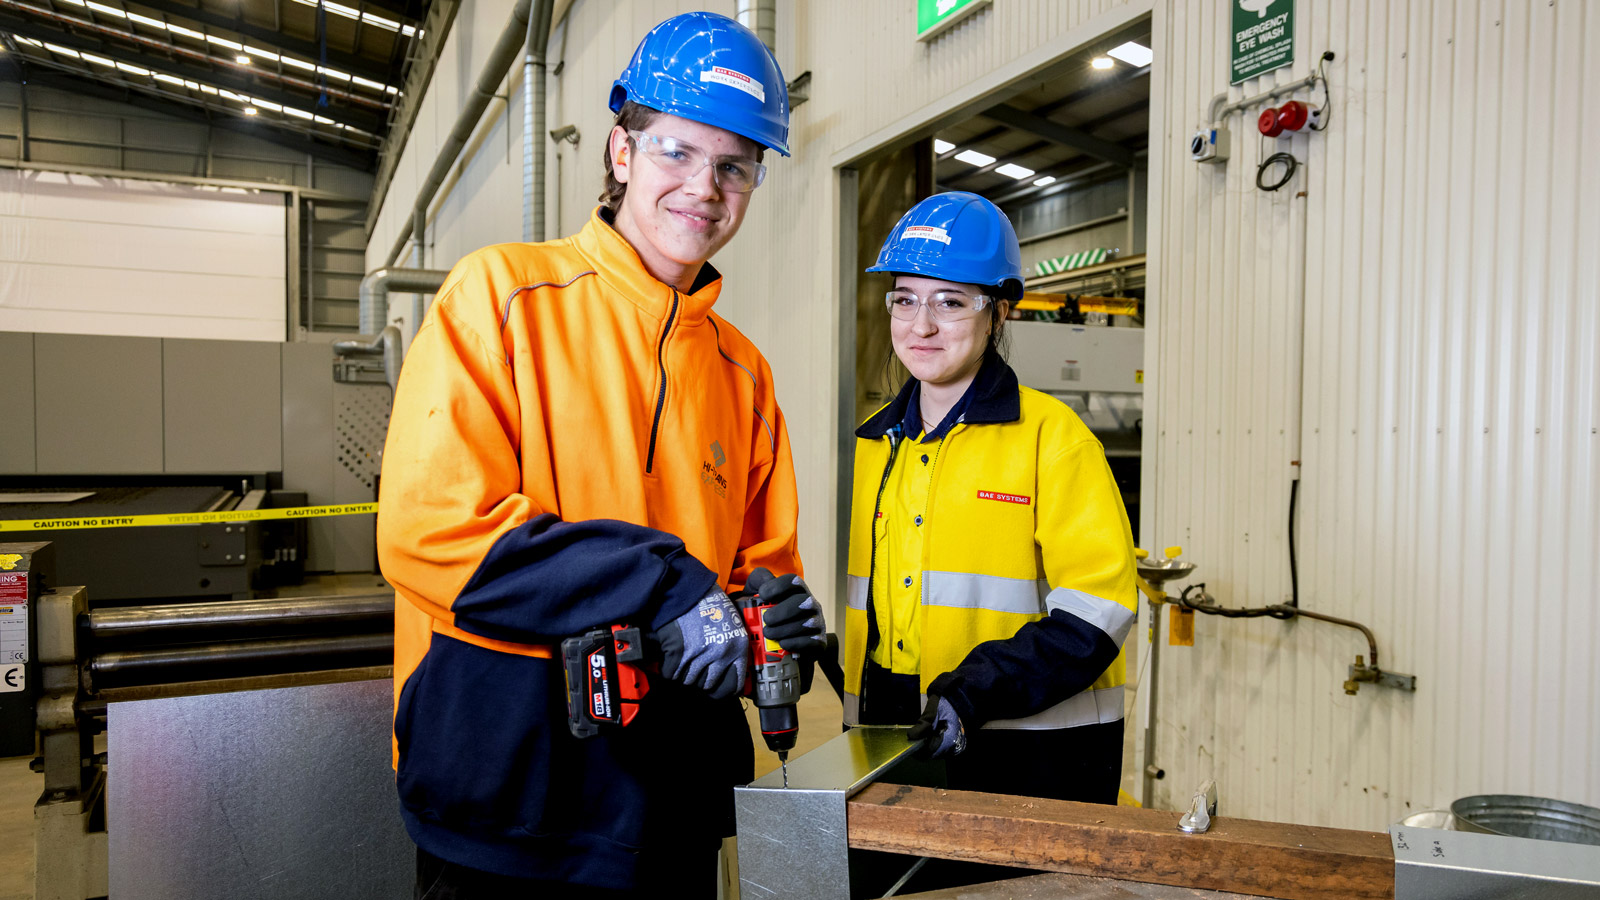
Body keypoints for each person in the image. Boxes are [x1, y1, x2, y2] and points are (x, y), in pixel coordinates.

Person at [377, 12, 825, 899]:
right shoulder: (501, 298)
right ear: (622, 151)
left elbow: (754, 574)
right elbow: (431, 534)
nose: (705, 187)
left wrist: (772, 625)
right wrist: (666, 586)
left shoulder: (744, 373)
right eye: (677, 152)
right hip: (512, 805)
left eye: (734, 166)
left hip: (672, 810)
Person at [842, 191, 1138, 805]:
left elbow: (1098, 613)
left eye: (950, 302)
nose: (920, 325)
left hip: (1030, 754)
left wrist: (975, 689)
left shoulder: (1051, 439)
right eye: (904, 299)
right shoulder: (875, 443)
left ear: (998, 313)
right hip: (893, 731)